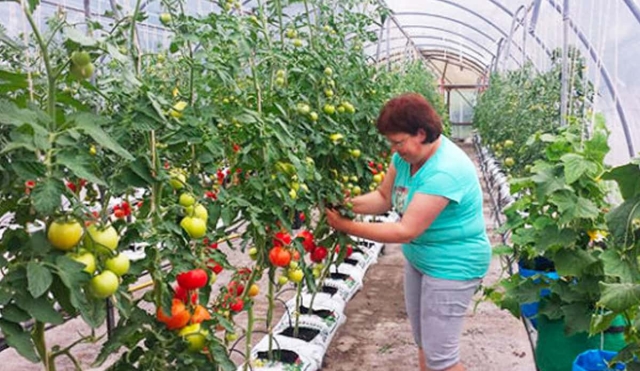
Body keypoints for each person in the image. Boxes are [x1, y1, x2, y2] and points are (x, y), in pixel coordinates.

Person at [325, 92, 491, 371]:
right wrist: (343, 204)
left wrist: (346, 226)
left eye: (398, 142)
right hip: (421, 259)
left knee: (443, 359)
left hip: (453, 264)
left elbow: (405, 230)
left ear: (421, 133)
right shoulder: (405, 159)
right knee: (426, 343)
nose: (394, 149)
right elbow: (383, 198)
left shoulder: (446, 171)